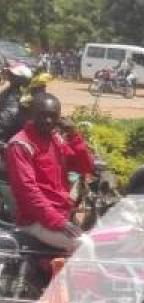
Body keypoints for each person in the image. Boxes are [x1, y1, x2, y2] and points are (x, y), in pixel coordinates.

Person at [5, 93, 94, 251]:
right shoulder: (21, 145)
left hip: (59, 214)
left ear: (59, 118)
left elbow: (85, 167)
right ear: (32, 114)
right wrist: (58, 222)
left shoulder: (55, 140)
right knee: (84, 245)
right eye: (42, 115)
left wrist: (74, 136)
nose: (48, 121)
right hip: (36, 220)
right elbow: (28, 192)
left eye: (53, 116)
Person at [0, 64, 34, 219]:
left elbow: (3, 124)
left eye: (11, 76)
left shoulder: (13, 102)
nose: (7, 77)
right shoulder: (14, 96)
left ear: (17, 80)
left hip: (6, 151)